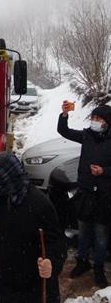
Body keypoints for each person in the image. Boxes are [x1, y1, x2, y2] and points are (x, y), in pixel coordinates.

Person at [0, 152, 67, 303]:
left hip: (30, 289)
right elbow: (2, 234)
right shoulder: (3, 197)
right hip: (5, 284)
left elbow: (57, 242)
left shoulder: (38, 204)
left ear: (8, 173)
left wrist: (52, 263)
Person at [58, 102, 111, 287]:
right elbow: (64, 132)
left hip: (104, 196)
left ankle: (98, 268)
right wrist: (64, 115)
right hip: (85, 193)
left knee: (101, 234)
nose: (94, 122)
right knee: (83, 230)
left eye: (98, 119)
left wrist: (103, 171)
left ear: (107, 122)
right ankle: (82, 262)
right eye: (93, 118)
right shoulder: (87, 136)